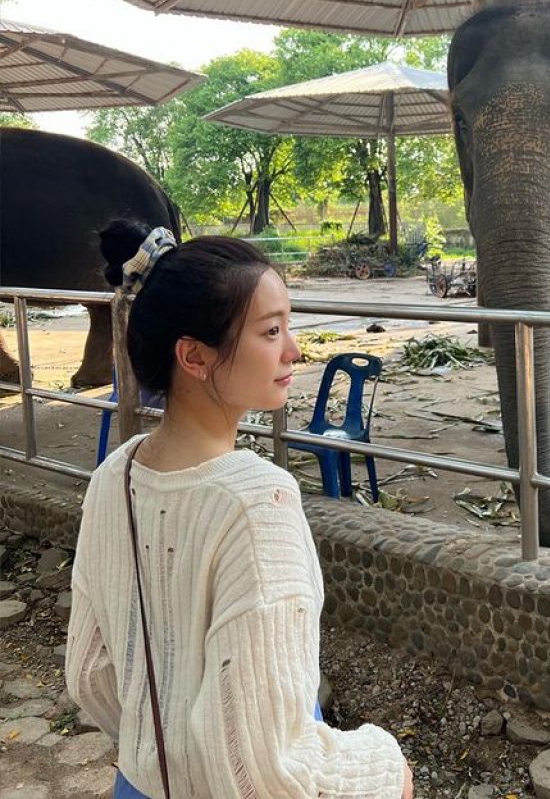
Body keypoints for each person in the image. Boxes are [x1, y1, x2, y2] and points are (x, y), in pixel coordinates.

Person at [66, 220, 412, 799]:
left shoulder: (113, 477)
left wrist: (158, 753)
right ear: (195, 357)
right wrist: (387, 768)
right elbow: (264, 772)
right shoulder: (259, 502)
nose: (294, 350)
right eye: (271, 331)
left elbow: (90, 673)